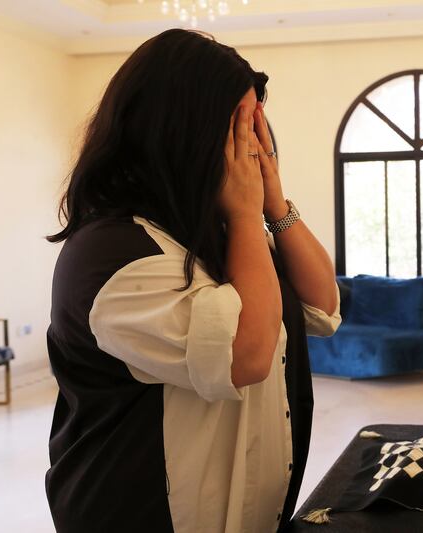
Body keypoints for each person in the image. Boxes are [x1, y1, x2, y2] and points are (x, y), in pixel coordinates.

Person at [45, 29, 340, 533]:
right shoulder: (108, 254)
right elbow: (242, 356)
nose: (253, 143)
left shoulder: (220, 231)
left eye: (257, 125)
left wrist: (273, 205)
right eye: (239, 125)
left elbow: (321, 306)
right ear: (183, 129)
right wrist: (248, 217)